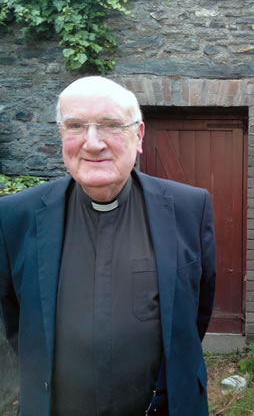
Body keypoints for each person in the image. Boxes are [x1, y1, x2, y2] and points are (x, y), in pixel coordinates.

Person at [0, 76, 217, 416]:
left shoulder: (188, 208)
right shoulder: (16, 215)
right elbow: (16, 317)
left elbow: (195, 313)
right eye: (75, 126)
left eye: (110, 125)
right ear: (61, 135)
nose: (92, 143)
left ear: (139, 135)